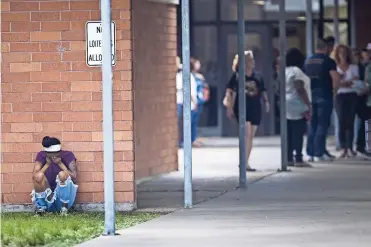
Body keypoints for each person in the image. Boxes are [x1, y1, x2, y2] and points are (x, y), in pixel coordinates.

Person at [224, 51, 270, 171]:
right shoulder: (237, 76)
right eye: (250, 59)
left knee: (251, 136)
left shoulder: (258, 76)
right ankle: (243, 162)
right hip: (242, 107)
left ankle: (245, 161)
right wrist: (229, 107)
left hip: (255, 107)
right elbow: (230, 92)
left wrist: (266, 102)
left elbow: (263, 90)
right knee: (247, 134)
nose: (253, 62)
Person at [304, 39, 340, 162]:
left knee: (312, 124)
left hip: (310, 96)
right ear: (325, 48)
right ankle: (319, 153)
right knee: (322, 125)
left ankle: (311, 152)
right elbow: (335, 78)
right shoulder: (328, 61)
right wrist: (334, 92)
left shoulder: (308, 61)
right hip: (324, 95)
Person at [31, 136, 78, 215]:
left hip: (63, 197)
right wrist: (47, 164)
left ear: (59, 151)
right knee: (39, 176)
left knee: (62, 174)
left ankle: (64, 208)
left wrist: (60, 163)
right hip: (47, 194)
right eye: (49, 154)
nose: (52, 156)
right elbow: (34, 177)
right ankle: (42, 208)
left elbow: (74, 177)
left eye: (55, 154)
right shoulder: (41, 155)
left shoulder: (68, 154)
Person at [285, 48, 312, 167]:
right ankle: (299, 158)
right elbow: (300, 88)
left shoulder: (284, 70)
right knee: (298, 132)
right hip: (297, 103)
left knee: (289, 132)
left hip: (286, 103)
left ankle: (288, 157)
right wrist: (308, 104)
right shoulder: (297, 71)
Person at [332, 44, 359, 158]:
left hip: (352, 95)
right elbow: (334, 84)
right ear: (337, 54)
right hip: (340, 96)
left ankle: (350, 147)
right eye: (340, 52)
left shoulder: (353, 67)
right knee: (341, 121)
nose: (342, 54)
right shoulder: (334, 67)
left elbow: (355, 82)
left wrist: (342, 82)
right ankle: (343, 147)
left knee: (350, 121)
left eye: (344, 52)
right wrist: (346, 82)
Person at [176, 57, 199, 147]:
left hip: (183, 102)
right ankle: (183, 141)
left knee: (184, 123)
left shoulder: (184, 75)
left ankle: (184, 141)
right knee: (183, 123)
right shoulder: (185, 75)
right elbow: (190, 91)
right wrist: (194, 102)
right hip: (182, 102)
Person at [190, 58, 210, 147]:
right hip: (193, 102)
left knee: (195, 121)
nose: (199, 65)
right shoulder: (190, 76)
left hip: (199, 101)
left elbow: (204, 87)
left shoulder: (199, 76)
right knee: (190, 121)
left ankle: (193, 139)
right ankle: (190, 139)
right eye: (196, 63)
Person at [356, 54, 371, 159]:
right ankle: (364, 147)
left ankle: (363, 147)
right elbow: (367, 83)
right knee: (367, 123)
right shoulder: (368, 67)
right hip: (368, 101)